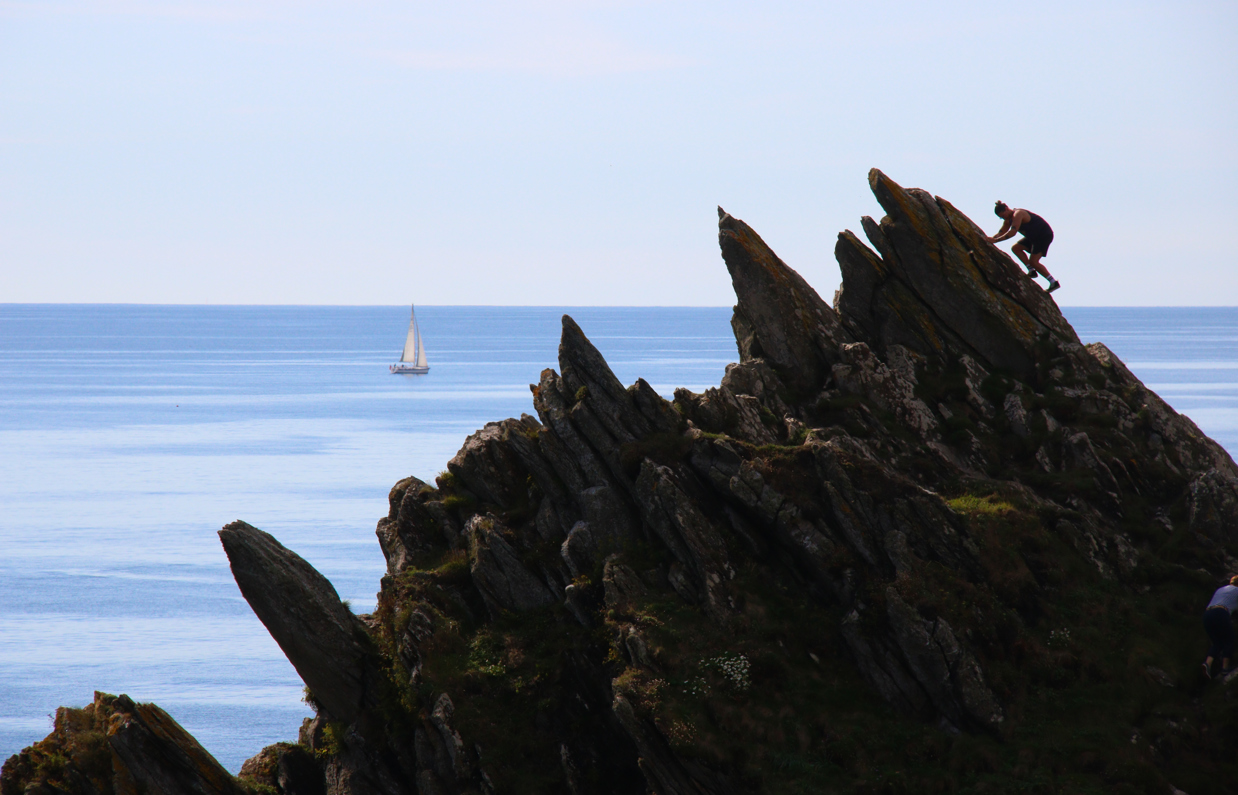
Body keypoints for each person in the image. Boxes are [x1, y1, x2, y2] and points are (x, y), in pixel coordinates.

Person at [987, 201, 1060, 294]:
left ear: (1006, 209)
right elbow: (1001, 232)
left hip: (1043, 236)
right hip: (1033, 237)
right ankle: (1031, 271)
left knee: (1034, 261)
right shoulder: (1007, 220)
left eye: (1003, 215)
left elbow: (1012, 233)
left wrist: (996, 241)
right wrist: (991, 239)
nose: (1003, 218)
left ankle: (1053, 282)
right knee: (1016, 248)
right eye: (1001, 217)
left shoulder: (1018, 214)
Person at [1203, 575, 1238, 679]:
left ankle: (1207, 664)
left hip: (1207, 614)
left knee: (1217, 642)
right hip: (1221, 612)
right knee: (1229, 640)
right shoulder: (1237, 590)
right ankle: (1225, 668)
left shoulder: (1221, 589)